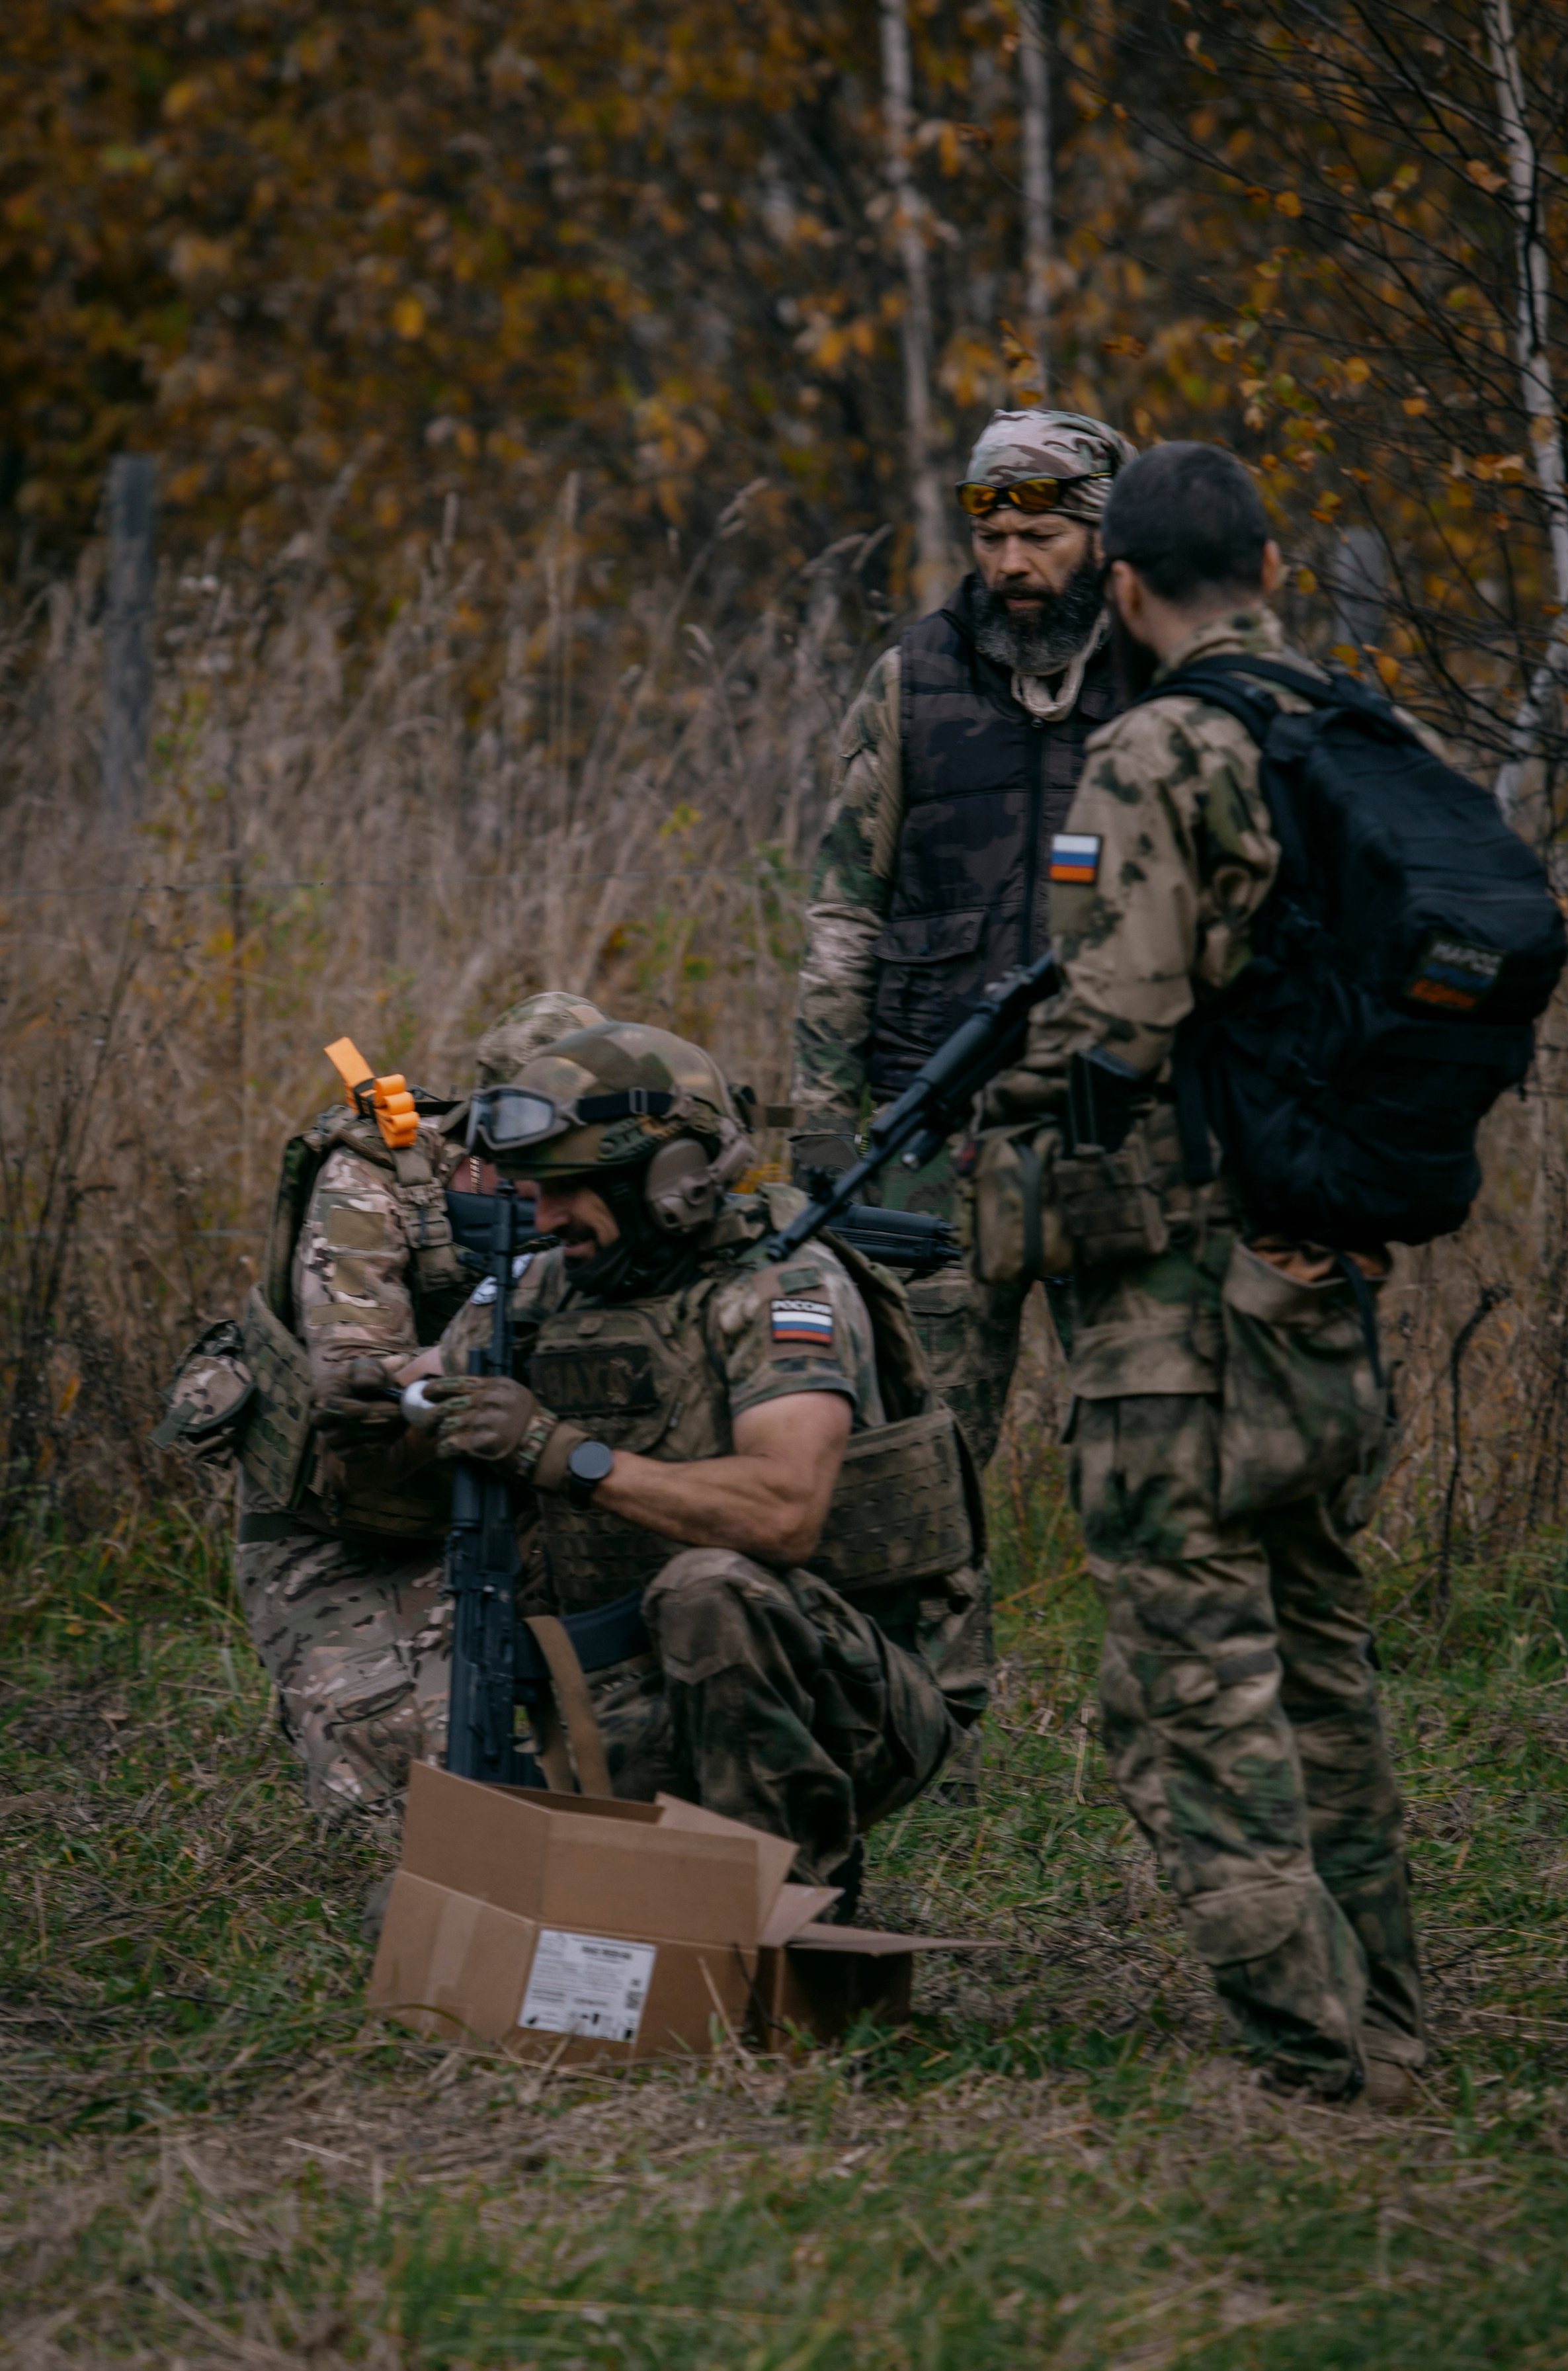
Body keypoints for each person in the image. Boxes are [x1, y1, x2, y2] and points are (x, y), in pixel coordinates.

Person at [987, 441, 1426, 2106]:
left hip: (1173, 1301)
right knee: (1320, 1659)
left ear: (1119, 583)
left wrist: (1004, 1099)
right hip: (1322, 1273)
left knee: (1192, 1678)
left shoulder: (1157, 745)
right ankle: (1385, 2016)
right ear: (1262, 559)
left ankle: (1300, 2060)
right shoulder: (1359, 735)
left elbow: (1119, 1020)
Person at [419, 1019, 990, 1893]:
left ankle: (790, 1912)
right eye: (536, 1190)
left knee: (709, 1587)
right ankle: (660, 1875)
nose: (543, 1217)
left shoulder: (785, 1286)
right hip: (639, 1692)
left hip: (851, 1704)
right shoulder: (547, 1287)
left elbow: (783, 1512)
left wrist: (556, 1449)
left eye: (571, 1190)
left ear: (671, 1184)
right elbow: (426, 1389)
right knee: (438, 1903)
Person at [790, 407, 1134, 1471]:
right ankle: (937, 1649)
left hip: (1111, 1130)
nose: (1011, 564)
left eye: (1042, 537)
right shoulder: (910, 682)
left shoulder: (1168, 682)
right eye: (991, 539)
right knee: (912, 1459)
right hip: (928, 1131)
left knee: (1146, 1449)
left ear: (1104, 537)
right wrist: (819, 1123)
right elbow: (845, 908)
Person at [229, 989, 604, 1825]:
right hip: (349, 1530)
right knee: (415, 1808)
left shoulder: (612, 1194)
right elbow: (352, 1396)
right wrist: (502, 1317)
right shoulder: (372, 1175)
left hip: (524, 1500)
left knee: (640, 1760)